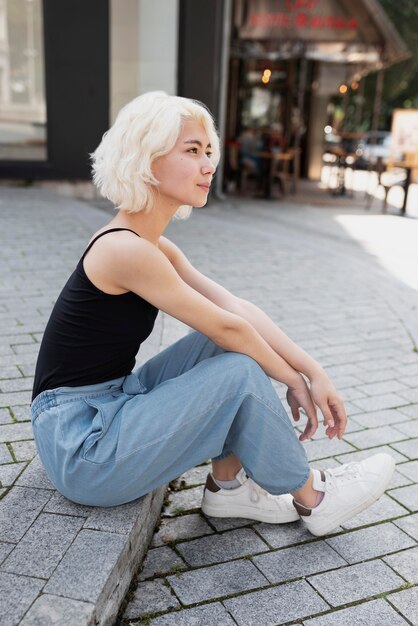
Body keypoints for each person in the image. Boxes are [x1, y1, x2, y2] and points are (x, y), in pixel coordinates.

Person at [31, 91, 394, 537]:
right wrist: (293, 381)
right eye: (192, 151)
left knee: (219, 347)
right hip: (82, 447)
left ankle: (229, 487)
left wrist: (312, 370)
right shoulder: (124, 249)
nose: (209, 165)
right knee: (237, 367)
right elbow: (230, 327)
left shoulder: (152, 245)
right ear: (146, 158)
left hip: (108, 406)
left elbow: (235, 309)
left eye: (209, 152)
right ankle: (314, 497)